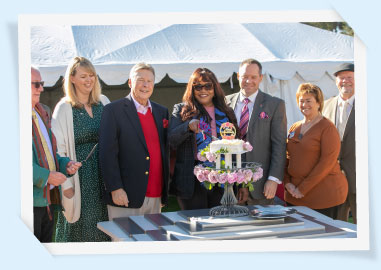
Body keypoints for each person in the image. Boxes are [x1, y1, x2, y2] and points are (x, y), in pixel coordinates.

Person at [99, 62, 169, 221]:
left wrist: (163, 191)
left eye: (150, 81)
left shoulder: (161, 111)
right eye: (140, 80)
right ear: (130, 82)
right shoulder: (113, 110)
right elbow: (106, 153)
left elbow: (163, 151)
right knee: (125, 244)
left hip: (156, 194)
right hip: (125, 196)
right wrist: (115, 188)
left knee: (153, 242)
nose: (145, 85)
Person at [51, 57, 111, 242]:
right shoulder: (64, 108)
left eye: (92, 75)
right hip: (79, 178)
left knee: (106, 228)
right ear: (72, 78)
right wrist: (66, 185)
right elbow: (57, 150)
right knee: (79, 230)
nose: (89, 80)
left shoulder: (103, 101)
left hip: (104, 176)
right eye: (83, 76)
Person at [169, 68, 240, 210]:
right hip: (192, 180)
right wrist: (187, 128)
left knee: (221, 225)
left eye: (208, 86)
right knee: (196, 224)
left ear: (215, 88)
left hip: (223, 178)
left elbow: (235, 143)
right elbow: (171, 140)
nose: (203, 90)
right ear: (192, 89)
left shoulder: (227, 111)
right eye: (198, 87)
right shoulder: (182, 110)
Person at [226, 59, 287, 205]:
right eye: (244, 76)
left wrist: (273, 179)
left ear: (260, 78)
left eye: (253, 77)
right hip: (230, 184)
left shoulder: (275, 104)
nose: (248, 81)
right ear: (237, 76)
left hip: (261, 184)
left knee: (262, 227)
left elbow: (279, 145)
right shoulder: (226, 103)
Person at [284, 83, 348, 218]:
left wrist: (302, 189)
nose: (304, 104)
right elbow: (287, 157)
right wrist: (287, 183)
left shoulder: (327, 128)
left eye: (309, 101)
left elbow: (327, 163)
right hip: (294, 196)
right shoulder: (294, 127)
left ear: (319, 103)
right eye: (301, 101)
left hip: (323, 197)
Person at [32, 67, 81, 242]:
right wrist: (46, 176)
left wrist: (65, 164)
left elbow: (50, 153)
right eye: (36, 84)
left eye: (42, 83)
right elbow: (14, 161)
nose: (41, 89)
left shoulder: (41, 111)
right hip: (28, 202)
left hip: (47, 200)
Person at [322, 63, 356, 223]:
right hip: (332, 177)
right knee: (336, 226)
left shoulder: (371, 103)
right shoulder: (326, 105)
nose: (345, 81)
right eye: (341, 78)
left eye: (349, 77)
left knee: (364, 226)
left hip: (360, 177)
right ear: (336, 81)